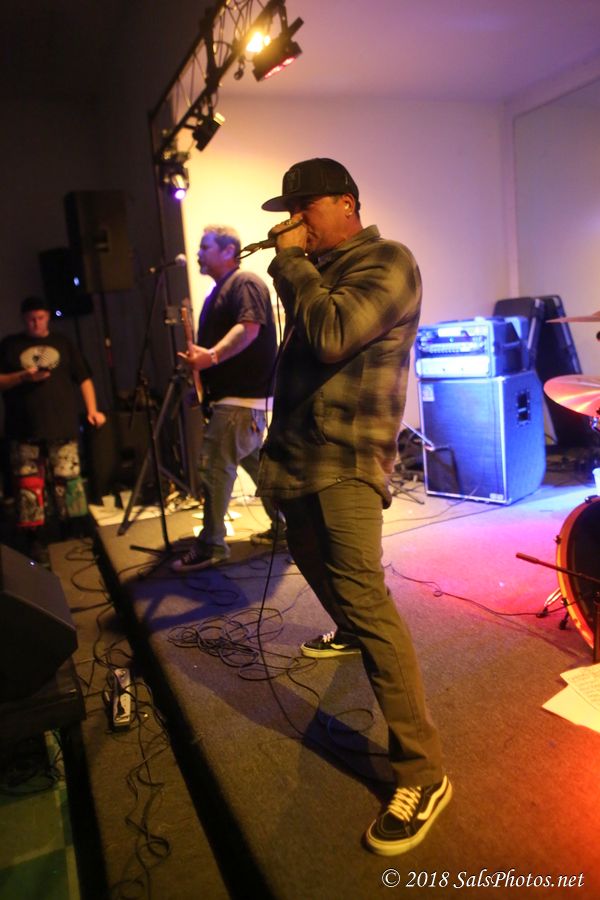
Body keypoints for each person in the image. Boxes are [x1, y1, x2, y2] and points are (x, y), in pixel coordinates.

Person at [256, 158, 451, 855]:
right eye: (291, 211)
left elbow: (333, 334)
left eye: (305, 208)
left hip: (346, 458)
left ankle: (423, 772)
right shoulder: (321, 270)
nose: (296, 222)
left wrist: (290, 265)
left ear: (346, 203)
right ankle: (346, 628)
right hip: (299, 456)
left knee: (365, 597)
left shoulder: (388, 262)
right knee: (311, 560)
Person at [172, 225, 283, 573]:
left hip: (241, 401)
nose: (198, 253)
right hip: (237, 401)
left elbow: (249, 328)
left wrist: (211, 357)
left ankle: (211, 546)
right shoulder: (219, 292)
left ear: (228, 251)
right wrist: (203, 377)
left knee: (214, 468)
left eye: (205, 247)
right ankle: (286, 528)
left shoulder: (244, 282)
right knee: (258, 469)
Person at [0, 296, 106, 560]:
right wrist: (24, 376)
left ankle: (73, 534)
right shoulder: (10, 346)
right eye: (31, 319)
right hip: (23, 429)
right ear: (24, 319)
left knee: (68, 483)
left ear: (47, 317)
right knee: (28, 485)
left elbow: (84, 378)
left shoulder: (63, 343)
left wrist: (92, 410)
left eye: (40, 318)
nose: (35, 323)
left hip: (61, 425)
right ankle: (34, 540)